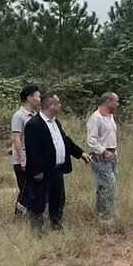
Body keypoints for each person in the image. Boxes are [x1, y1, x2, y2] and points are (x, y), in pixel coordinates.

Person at [22, 92, 87, 229]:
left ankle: (56, 225)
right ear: (50, 105)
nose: (60, 105)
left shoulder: (55, 122)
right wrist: (37, 170)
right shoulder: (34, 124)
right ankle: (36, 230)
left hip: (57, 168)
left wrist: (80, 153)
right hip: (42, 171)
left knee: (58, 198)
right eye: (58, 103)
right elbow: (32, 149)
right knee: (39, 201)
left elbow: (65, 141)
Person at [86, 91, 119, 223]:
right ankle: (106, 218)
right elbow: (92, 140)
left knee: (105, 186)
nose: (118, 104)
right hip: (101, 156)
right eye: (116, 101)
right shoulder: (96, 118)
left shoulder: (110, 117)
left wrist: (113, 153)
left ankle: (100, 214)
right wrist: (104, 151)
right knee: (108, 185)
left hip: (112, 155)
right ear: (108, 102)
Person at [10, 84, 42, 217]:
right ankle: (19, 215)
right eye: (38, 96)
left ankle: (32, 215)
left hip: (35, 159)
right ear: (29, 98)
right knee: (26, 190)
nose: (40, 99)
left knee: (35, 189)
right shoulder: (19, 116)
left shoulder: (37, 115)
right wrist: (23, 159)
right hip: (23, 160)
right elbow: (16, 139)